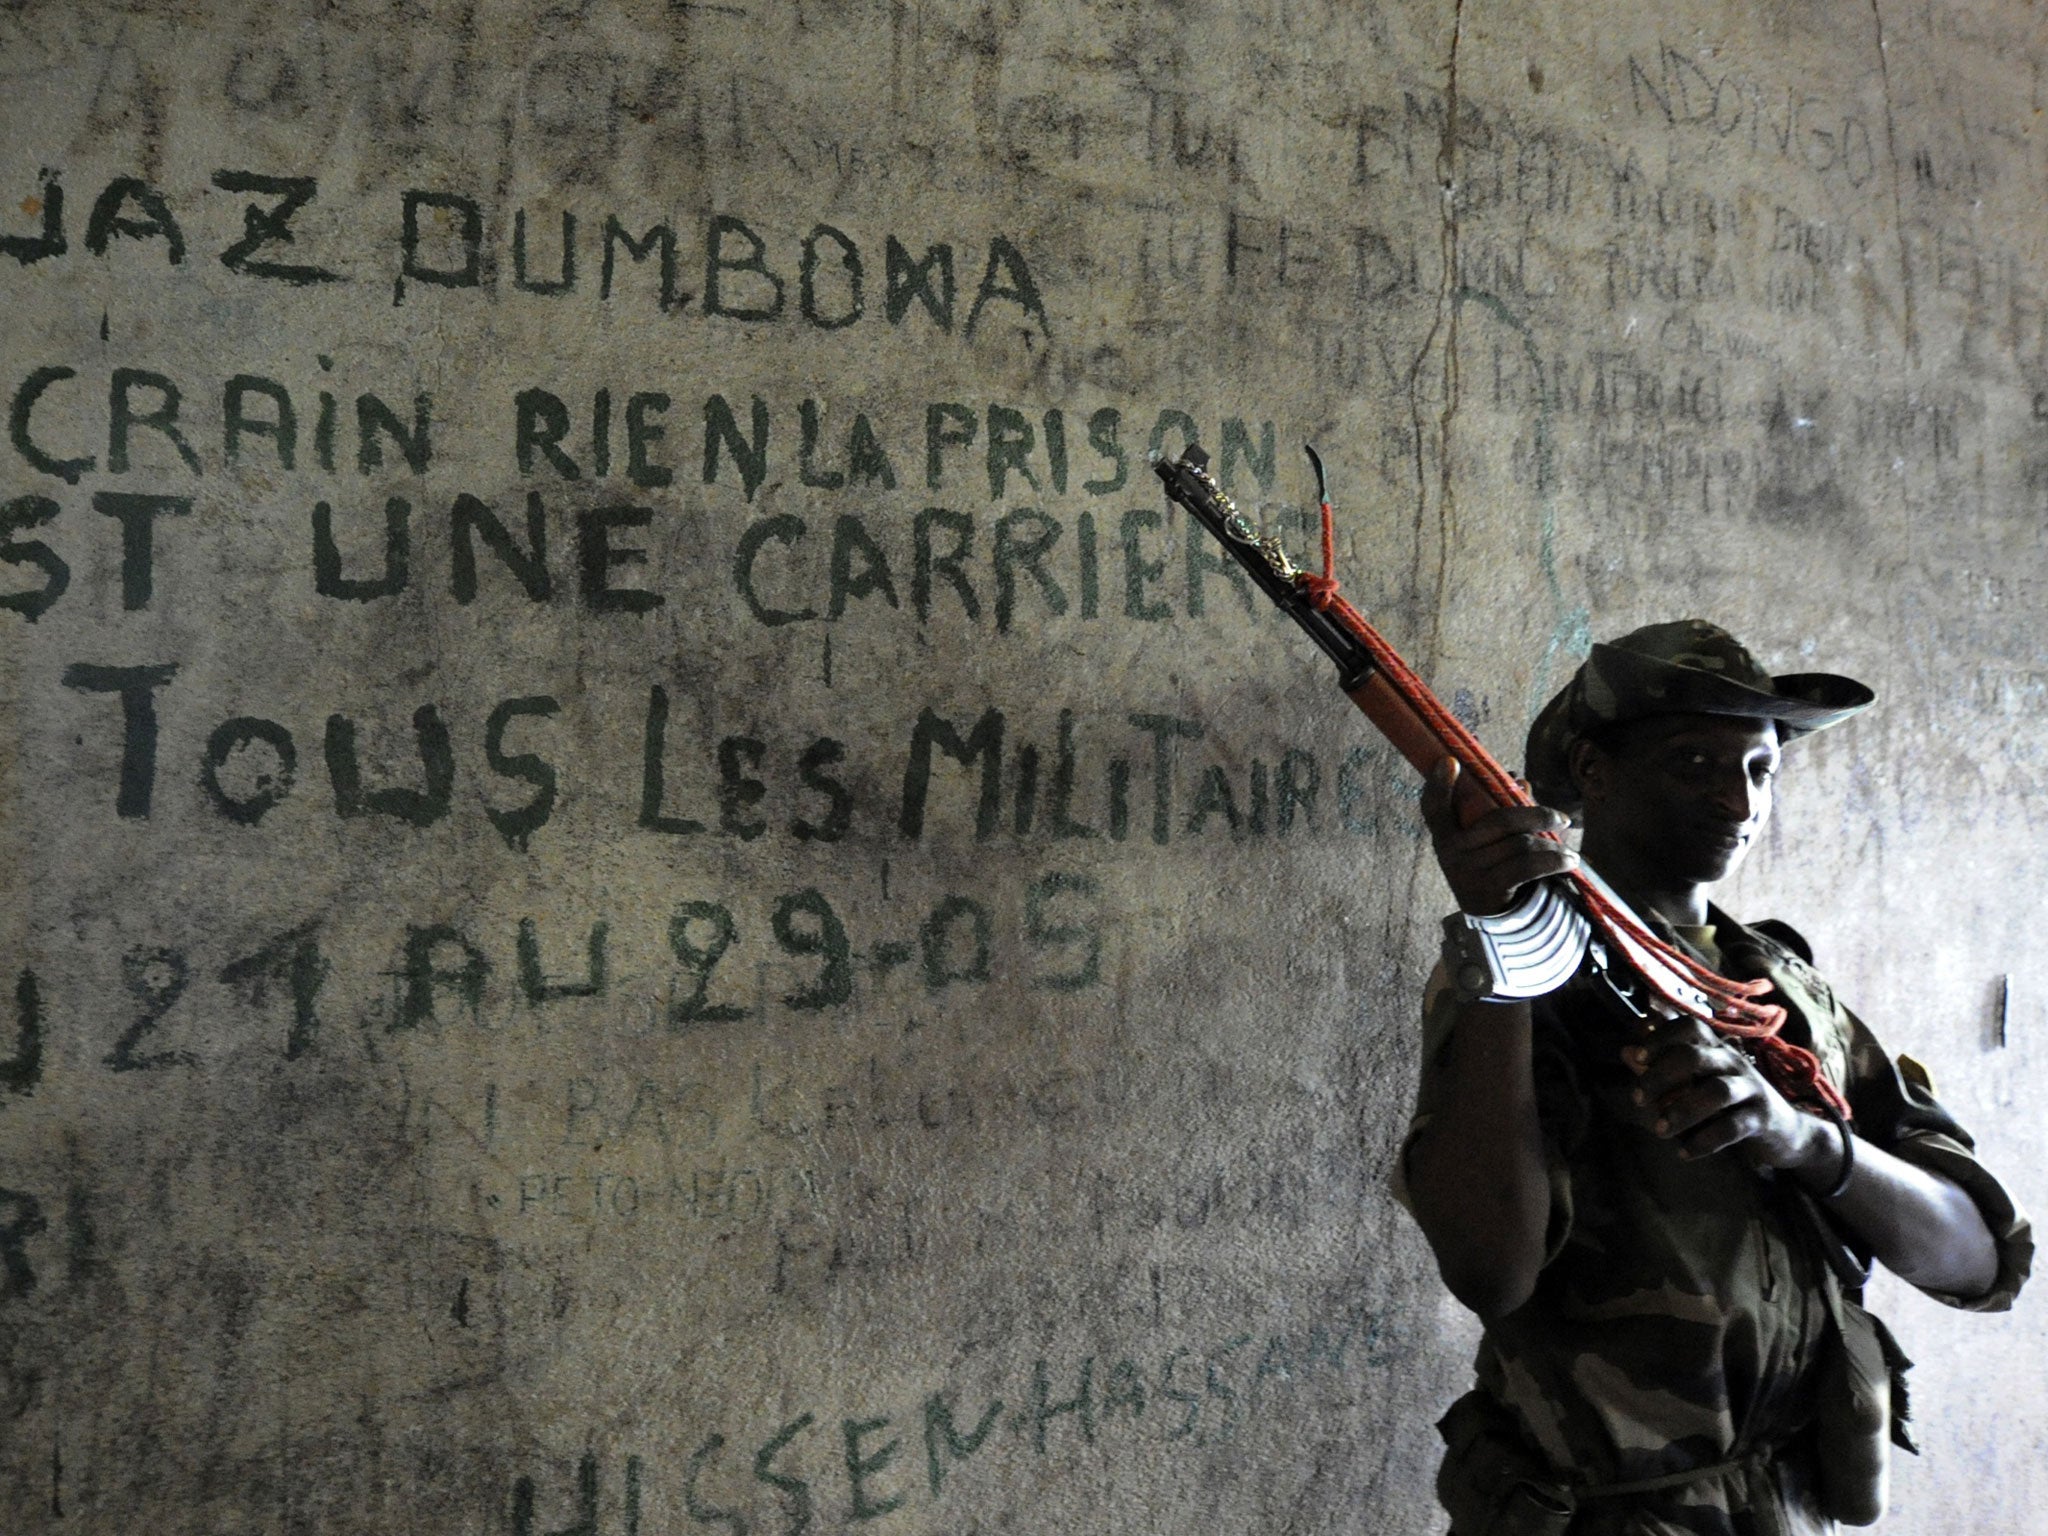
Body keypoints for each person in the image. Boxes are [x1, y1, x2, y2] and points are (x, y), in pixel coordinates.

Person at [1398, 620, 2031, 1535]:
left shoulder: (1779, 987)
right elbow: (1490, 1271)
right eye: (1693, 762)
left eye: (1761, 769)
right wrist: (1501, 946)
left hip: (1788, 1504)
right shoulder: (1529, 976)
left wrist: (1807, 1141)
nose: (1738, 804)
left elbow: (1978, 1262)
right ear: (1596, 771)